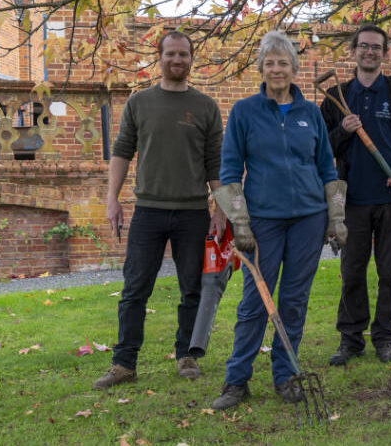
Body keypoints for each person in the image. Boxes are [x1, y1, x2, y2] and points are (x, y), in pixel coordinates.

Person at [209, 30, 345, 410]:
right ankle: (237, 380)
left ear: (294, 67)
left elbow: (327, 170)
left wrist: (336, 218)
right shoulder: (244, 112)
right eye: (269, 62)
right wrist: (241, 222)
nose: (276, 69)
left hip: (308, 220)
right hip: (263, 222)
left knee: (294, 300)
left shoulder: (311, 114)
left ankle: (286, 376)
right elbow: (231, 169)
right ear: (261, 68)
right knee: (255, 301)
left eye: (283, 62)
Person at [95, 31, 226, 390]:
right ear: (160, 57)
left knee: (193, 290)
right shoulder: (140, 103)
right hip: (148, 211)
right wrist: (112, 199)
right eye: (171, 54)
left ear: (191, 58)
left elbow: (215, 164)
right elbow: (121, 151)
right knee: (135, 289)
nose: (177, 60)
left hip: (193, 213)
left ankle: (187, 356)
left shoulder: (205, 107)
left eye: (183, 54)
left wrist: (221, 209)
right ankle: (124, 363)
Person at [320, 24, 391, 365]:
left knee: (390, 272)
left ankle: (385, 339)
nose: (369, 52)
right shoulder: (338, 96)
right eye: (363, 46)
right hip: (350, 199)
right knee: (352, 271)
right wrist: (343, 131)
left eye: (376, 47)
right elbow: (320, 149)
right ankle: (350, 340)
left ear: (386, 53)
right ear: (354, 51)